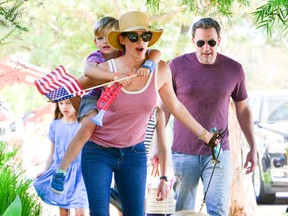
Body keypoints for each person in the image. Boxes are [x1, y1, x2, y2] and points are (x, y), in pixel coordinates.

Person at [53, 11, 219, 216]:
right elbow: (72, 88)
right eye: (134, 36)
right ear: (122, 39)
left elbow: (176, 107)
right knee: (99, 213)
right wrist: (76, 106)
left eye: (145, 36)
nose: (140, 41)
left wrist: (206, 136)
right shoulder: (106, 70)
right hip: (98, 151)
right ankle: (61, 172)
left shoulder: (159, 69)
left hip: (134, 153)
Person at [49, 15, 161, 199]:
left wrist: (149, 65)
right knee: (87, 128)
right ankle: (61, 170)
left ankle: (118, 191)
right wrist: (114, 76)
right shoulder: (97, 57)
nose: (104, 42)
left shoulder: (123, 54)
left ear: (118, 40)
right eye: (100, 38)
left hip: (113, 104)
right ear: (95, 41)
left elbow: (156, 53)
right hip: (93, 98)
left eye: (108, 37)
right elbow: (89, 71)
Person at [165, 17, 257, 216]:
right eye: (201, 43)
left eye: (211, 42)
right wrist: (157, 146)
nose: (206, 48)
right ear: (193, 42)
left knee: (218, 211)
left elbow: (243, 110)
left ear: (219, 41)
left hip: (218, 153)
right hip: (183, 152)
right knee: (182, 211)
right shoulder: (176, 66)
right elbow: (165, 106)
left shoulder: (234, 69)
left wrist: (253, 146)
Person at [109, 106, 170, 215]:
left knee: (139, 210)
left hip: (141, 168)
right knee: (123, 210)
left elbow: (163, 148)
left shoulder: (157, 113)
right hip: (121, 164)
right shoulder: (128, 106)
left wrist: (163, 178)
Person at [33, 99, 88, 216]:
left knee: (81, 211)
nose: (65, 107)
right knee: (63, 211)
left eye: (69, 103)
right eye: (61, 103)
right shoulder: (55, 125)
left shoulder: (83, 124)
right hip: (60, 173)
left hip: (80, 173)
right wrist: (45, 170)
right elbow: (52, 153)